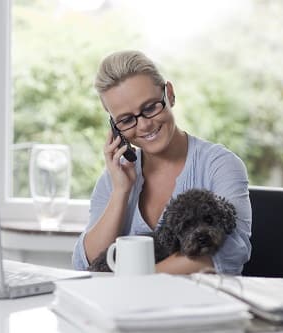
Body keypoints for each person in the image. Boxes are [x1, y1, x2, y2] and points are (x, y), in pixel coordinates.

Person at [72, 50, 251, 274]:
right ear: (115, 128)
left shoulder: (219, 165)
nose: (144, 125)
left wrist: (138, 276)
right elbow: (86, 262)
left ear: (169, 94)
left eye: (150, 107)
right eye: (126, 120)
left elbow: (231, 252)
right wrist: (121, 191)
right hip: (123, 306)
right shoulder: (115, 178)